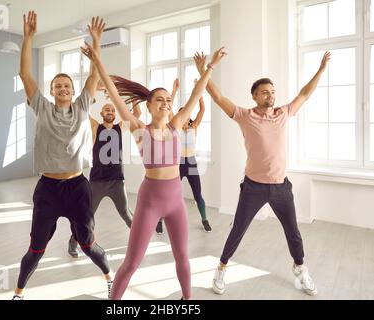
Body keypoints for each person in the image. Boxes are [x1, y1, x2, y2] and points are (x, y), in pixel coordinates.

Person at [81, 41, 226, 299]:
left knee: (182, 257)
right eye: (160, 99)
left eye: (169, 100)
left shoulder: (176, 125)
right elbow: (115, 94)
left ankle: (187, 300)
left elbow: (196, 95)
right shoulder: (139, 128)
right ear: (148, 105)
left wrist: (211, 66)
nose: (166, 103)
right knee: (132, 262)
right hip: (150, 201)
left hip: (175, 201)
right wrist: (98, 61)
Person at [193, 50, 331, 296]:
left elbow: (305, 94)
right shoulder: (245, 116)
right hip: (254, 187)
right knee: (238, 229)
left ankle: (300, 269)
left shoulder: (283, 113)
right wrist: (204, 69)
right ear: (255, 96)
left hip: (281, 187)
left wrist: (320, 70)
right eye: (265, 92)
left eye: (273, 91)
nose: (271, 95)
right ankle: (221, 268)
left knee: (293, 233)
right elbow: (218, 96)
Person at [12, 12, 112, 300]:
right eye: (58, 86)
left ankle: (108, 278)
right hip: (48, 189)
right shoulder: (41, 107)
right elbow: (25, 75)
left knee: (88, 245)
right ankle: (18, 293)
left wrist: (97, 42)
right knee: (35, 249)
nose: (64, 88)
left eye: (67, 85)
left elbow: (94, 76)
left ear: (73, 90)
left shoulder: (82, 105)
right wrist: (28, 37)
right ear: (53, 91)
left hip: (78, 187)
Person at [67, 100, 139, 257]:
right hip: (97, 181)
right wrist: (86, 100)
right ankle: (73, 241)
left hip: (117, 182)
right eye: (107, 109)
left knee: (126, 213)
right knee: (87, 215)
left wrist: (134, 100)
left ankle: (140, 242)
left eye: (113, 110)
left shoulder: (120, 128)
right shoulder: (95, 127)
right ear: (101, 113)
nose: (110, 112)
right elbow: (83, 112)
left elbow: (137, 115)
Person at [155, 79, 212, 234]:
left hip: (191, 163)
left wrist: (198, 91)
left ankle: (205, 219)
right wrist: (174, 90)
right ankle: (159, 221)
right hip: (178, 164)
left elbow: (202, 109)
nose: (183, 117)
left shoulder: (195, 126)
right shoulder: (176, 128)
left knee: (198, 194)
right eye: (181, 115)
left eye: (185, 114)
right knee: (168, 193)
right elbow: (169, 107)